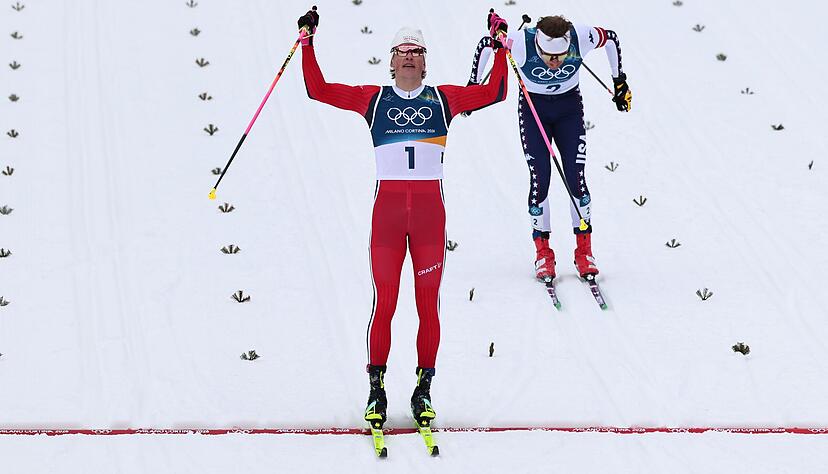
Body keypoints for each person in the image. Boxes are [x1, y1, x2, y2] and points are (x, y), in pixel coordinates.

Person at [297, 8, 509, 429]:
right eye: (402, 51)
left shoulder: (444, 99)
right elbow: (316, 89)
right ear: (390, 60)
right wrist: (308, 42)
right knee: (386, 304)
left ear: (425, 61)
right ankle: (376, 391)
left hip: (430, 217)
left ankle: (423, 389)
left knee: (427, 305)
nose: (409, 57)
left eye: (417, 51)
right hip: (388, 219)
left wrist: (500, 44)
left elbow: (496, 92)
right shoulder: (372, 100)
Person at [467, 15, 631, 281]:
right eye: (548, 56)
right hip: (535, 112)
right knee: (540, 178)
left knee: (576, 180)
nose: (555, 62)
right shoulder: (520, 42)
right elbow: (488, 43)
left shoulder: (581, 36)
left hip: (569, 110)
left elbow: (611, 38)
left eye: (561, 56)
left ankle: (584, 252)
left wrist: (619, 81)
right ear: (538, 45)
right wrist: (473, 87)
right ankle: (543, 254)